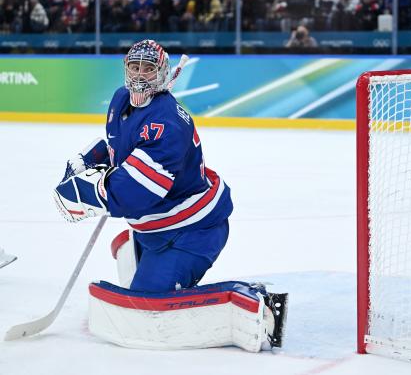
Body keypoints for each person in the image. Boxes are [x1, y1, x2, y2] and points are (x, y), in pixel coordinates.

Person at [54, 39, 287, 350]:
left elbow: (135, 193)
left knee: (147, 308)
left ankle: (254, 302)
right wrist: (88, 161)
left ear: (162, 74)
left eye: (148, 69)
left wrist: (88, 193)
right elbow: (119, 149)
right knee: (141, 293)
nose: (139, 75)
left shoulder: (168, 123)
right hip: (156, 225)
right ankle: (145, 250)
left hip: (192, 231)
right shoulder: (120, 99)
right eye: (134, 66)